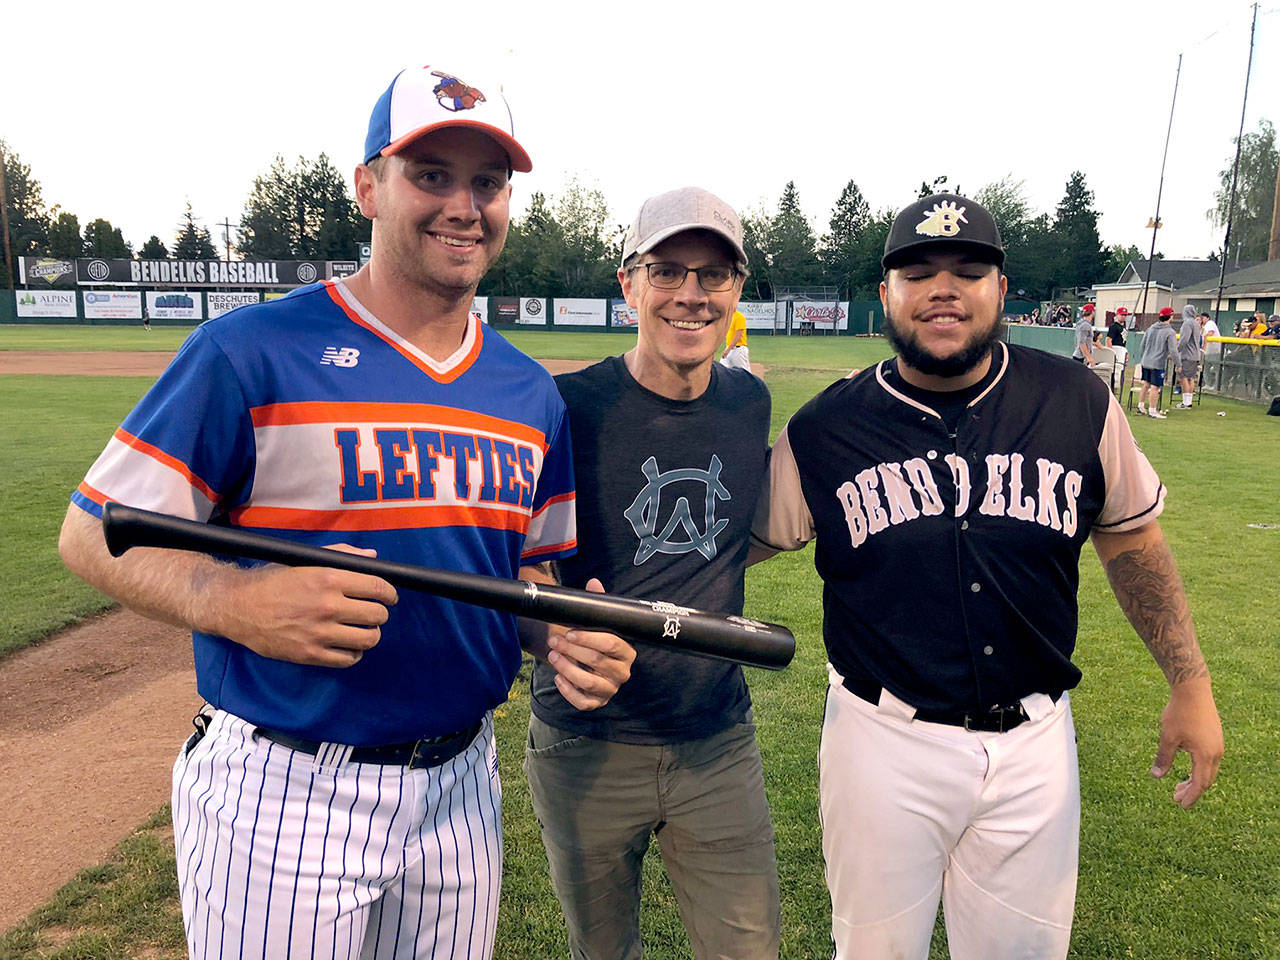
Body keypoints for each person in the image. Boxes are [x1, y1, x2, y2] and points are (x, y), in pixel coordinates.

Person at [57, 63, 635, 960]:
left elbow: (526, 575)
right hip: (285, 784)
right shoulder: (250, 351)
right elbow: (92, 531)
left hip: (460, 788)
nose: (463, 205)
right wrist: (235, 603)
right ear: (367, 186)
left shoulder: (528, 392)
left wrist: (557, 634)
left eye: (487, 182)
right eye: (430, 175)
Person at [751, 192, 1223, 960]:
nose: (943, 287)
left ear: (1001, 290)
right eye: (918, 271)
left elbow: (1133, 542)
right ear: (886, 295)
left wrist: (1191, 683)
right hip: (881, 741)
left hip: (1035, 745)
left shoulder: (1077, 401)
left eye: (968, 270)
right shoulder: (825, 428)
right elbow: (736, 547)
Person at [524, 187, 779, 960]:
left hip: (717, 741)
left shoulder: (748, 402)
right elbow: (519, 563)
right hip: (587, 746)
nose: (691, 295)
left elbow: (735, 532)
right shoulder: (566, 408)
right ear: (627, 283)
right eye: (667, 270)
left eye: (714, 274)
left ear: (737, 290)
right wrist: (552, 636)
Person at [1138, 306, 1177, 418]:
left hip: (1146, 361)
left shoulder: (1150, 328)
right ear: (1170, 317)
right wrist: (1178, 364)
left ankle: (1141, 406)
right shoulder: (1170, 332)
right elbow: (1173, 350)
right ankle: (1152, 410)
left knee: (1146, 384)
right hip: (1157, 362)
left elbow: (1142, 345)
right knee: (1155, 387)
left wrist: (1143, 358)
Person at [1173, 305, 1205, 409]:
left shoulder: (1187, 323)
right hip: (1196, 354)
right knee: (1191, 378)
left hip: (1187, 355)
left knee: (1183, 378)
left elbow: (1184, 339)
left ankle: (1186, 403)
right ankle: (1188, 402)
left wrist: (1177, 350)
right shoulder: (1196, 323)